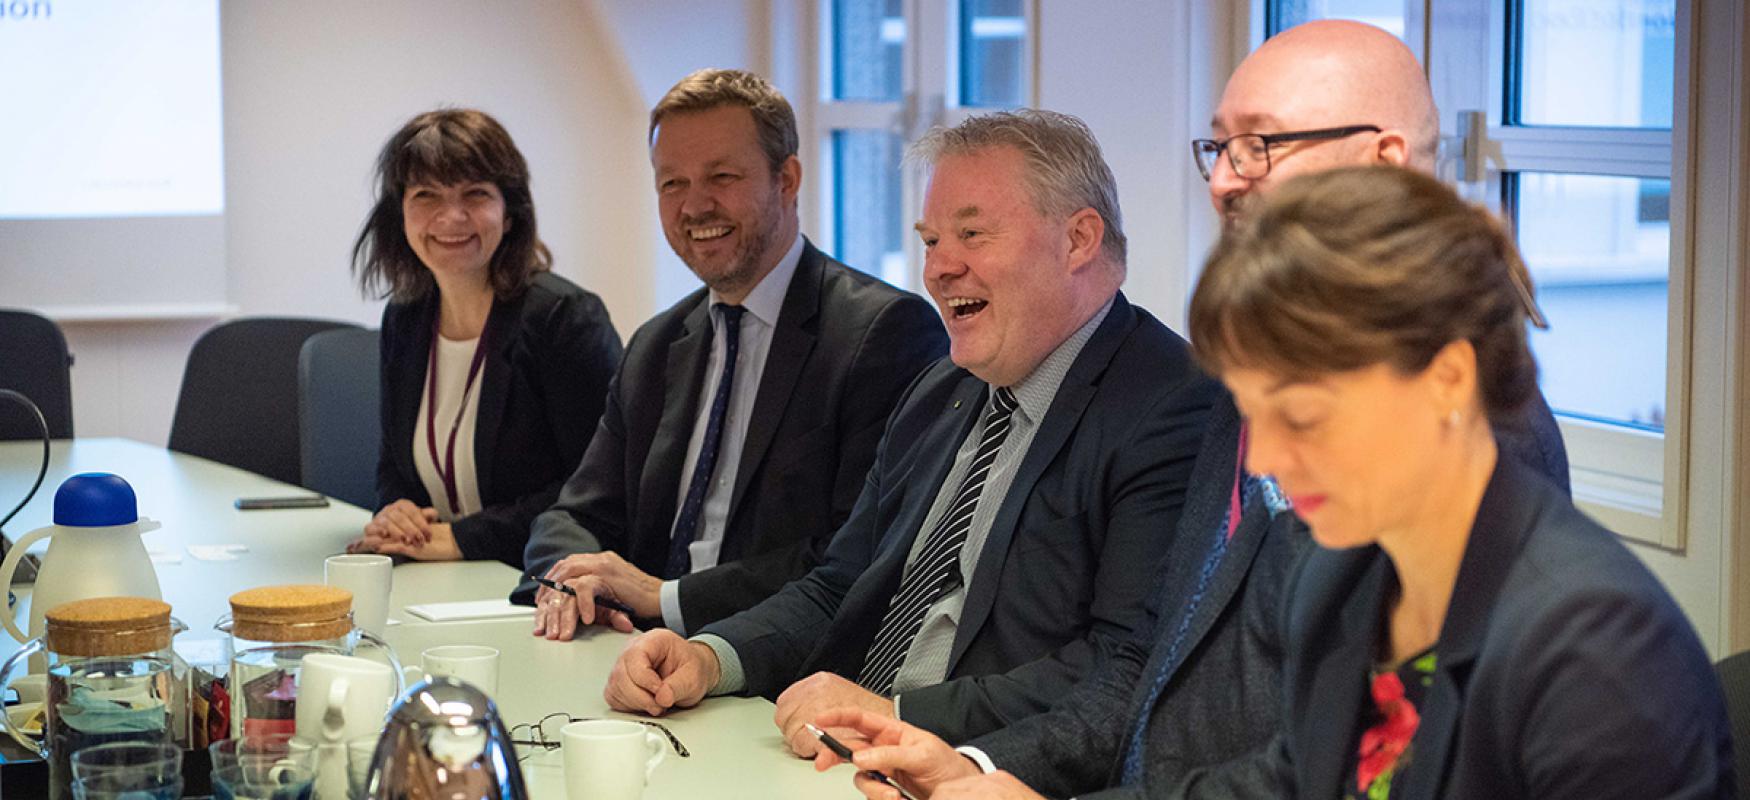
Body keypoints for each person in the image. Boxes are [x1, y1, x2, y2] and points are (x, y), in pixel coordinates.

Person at [808, 21, 1581, 800]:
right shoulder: (1255, 392)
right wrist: (980, 768)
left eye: (1262, 145)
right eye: (1219, 147)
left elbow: (1361, 772)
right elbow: (1150, 668)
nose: (1224, 181)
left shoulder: (1471, 431)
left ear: (1383, 161)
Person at [601, 108, 1219, 758]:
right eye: (929, 241)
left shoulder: (1171, 404)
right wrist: (710, 656)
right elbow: (840, 583)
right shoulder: (939, 391)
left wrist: (896, 715)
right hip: (835, 753)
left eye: (972, 234)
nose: (938, 269)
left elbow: (1120, 669)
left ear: (1079, 240)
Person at [519, 69, 947, 636]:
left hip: (774, 672)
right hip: (634, 656)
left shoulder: (883, 333)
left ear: (787, 179)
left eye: (721, 176)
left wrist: (667, 599)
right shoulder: (657, 343)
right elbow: (575, 514)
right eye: (672, 183)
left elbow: (860, 554)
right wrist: (568, 582)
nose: (694, 206)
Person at [348, 108, 623, 568]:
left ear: (510, 213)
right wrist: (397, 511)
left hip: (541, 579)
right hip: (439, 582)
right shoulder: (406, 317)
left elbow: (598, 490)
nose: (451, 216)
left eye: (475, 194)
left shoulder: (564, 319)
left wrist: (463, 540)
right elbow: (395, 466)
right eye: (426, 195)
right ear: (401, 214)